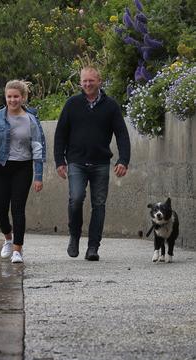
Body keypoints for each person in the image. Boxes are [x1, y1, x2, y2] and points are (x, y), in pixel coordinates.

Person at [54, 66, 130, 261]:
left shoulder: (111, 106)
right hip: (77, 162)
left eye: (91, 81)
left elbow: (122, 134)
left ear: (99, 81)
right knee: (76, 198)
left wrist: (123, 160)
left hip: (101, 163)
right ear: (80, 82)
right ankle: (74, 236)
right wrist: (59, 161)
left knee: (99, 204)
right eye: (84, 81)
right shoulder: (72, 104)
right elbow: (60, 134)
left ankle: (93, 247)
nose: (87, 84)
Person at [0, 80, 46, 264]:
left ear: (23, 97)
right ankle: (8, 238)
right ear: (5, 97)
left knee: (18, 209)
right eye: (9, 96)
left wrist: (38, 175)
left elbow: (38, 147)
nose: (12, 100)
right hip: (2, 167)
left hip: (23, 167)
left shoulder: (31, 119)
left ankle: (18, 249)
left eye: (16, 96)